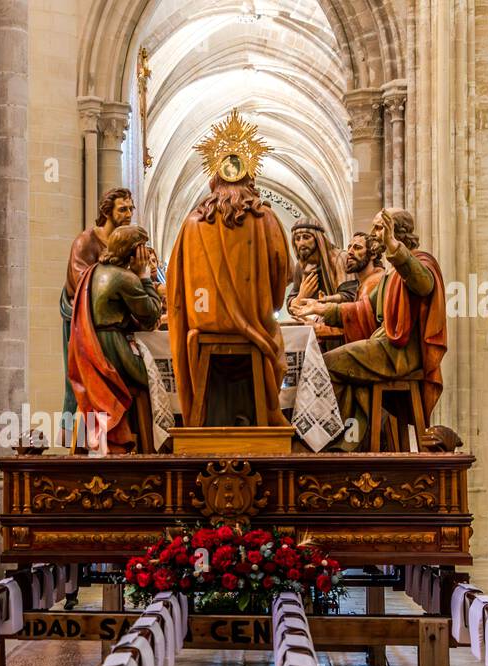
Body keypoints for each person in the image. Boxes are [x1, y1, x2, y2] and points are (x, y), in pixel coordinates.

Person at [167, 110, 292, 428]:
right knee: (273, 335)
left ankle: (207, 419)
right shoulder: (266, 219)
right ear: (251, 179)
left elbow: (176, 285)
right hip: (255, 324)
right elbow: (281, 277)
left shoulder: (191, 223)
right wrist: (264, 305)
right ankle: (262, 415)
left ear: (213, 180)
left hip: (203, 323)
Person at [293, 208, 448, 450]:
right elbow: (364, 308)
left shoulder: (419, 262)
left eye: (379, 228)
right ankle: (346, 441)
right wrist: (321, 308)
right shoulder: (391, 274)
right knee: (345, 370)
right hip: (384, 346)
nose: (374, 234)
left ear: (395, 231)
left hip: (399, 351)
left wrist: (395, 249)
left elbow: (424, 285)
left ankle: (324, 440)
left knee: (326, 364)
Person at [66, 224, 165, 452]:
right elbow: (150, 315)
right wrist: (144, 276)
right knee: (153, 378)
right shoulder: (123, 277)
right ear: (135, 252)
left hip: (89, 353)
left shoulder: (94, 272)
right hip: (111, 354)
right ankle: (152, 448)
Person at [61, 188, 136, 424]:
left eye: (131, 209)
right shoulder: (86, 241)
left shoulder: (125, 243)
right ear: (108, 211)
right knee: (83, 384)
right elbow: (83, 284)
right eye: (122, 209)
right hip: (84, 322)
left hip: (111, 322)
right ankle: (84, 438)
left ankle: (116, 432)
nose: (128, 214)